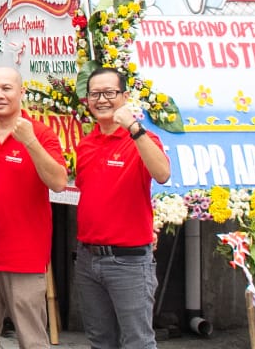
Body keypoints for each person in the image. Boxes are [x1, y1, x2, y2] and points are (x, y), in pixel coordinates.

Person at [0, 66, 68, 349]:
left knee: (32, 340)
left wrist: (30, 142)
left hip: (25, 259)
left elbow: (58, 182)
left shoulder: (42, 134)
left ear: (21, 92)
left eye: (6, 88)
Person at [74, 68, 171, 349]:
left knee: (137, 341)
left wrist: (134, 128)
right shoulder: (87, 143)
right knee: (100, 341)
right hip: (88, 259)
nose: (102, 100)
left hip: (127, 262)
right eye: (95, 94)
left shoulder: (142, 139)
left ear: (124, 97)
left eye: (110, 93)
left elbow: (162, 174)